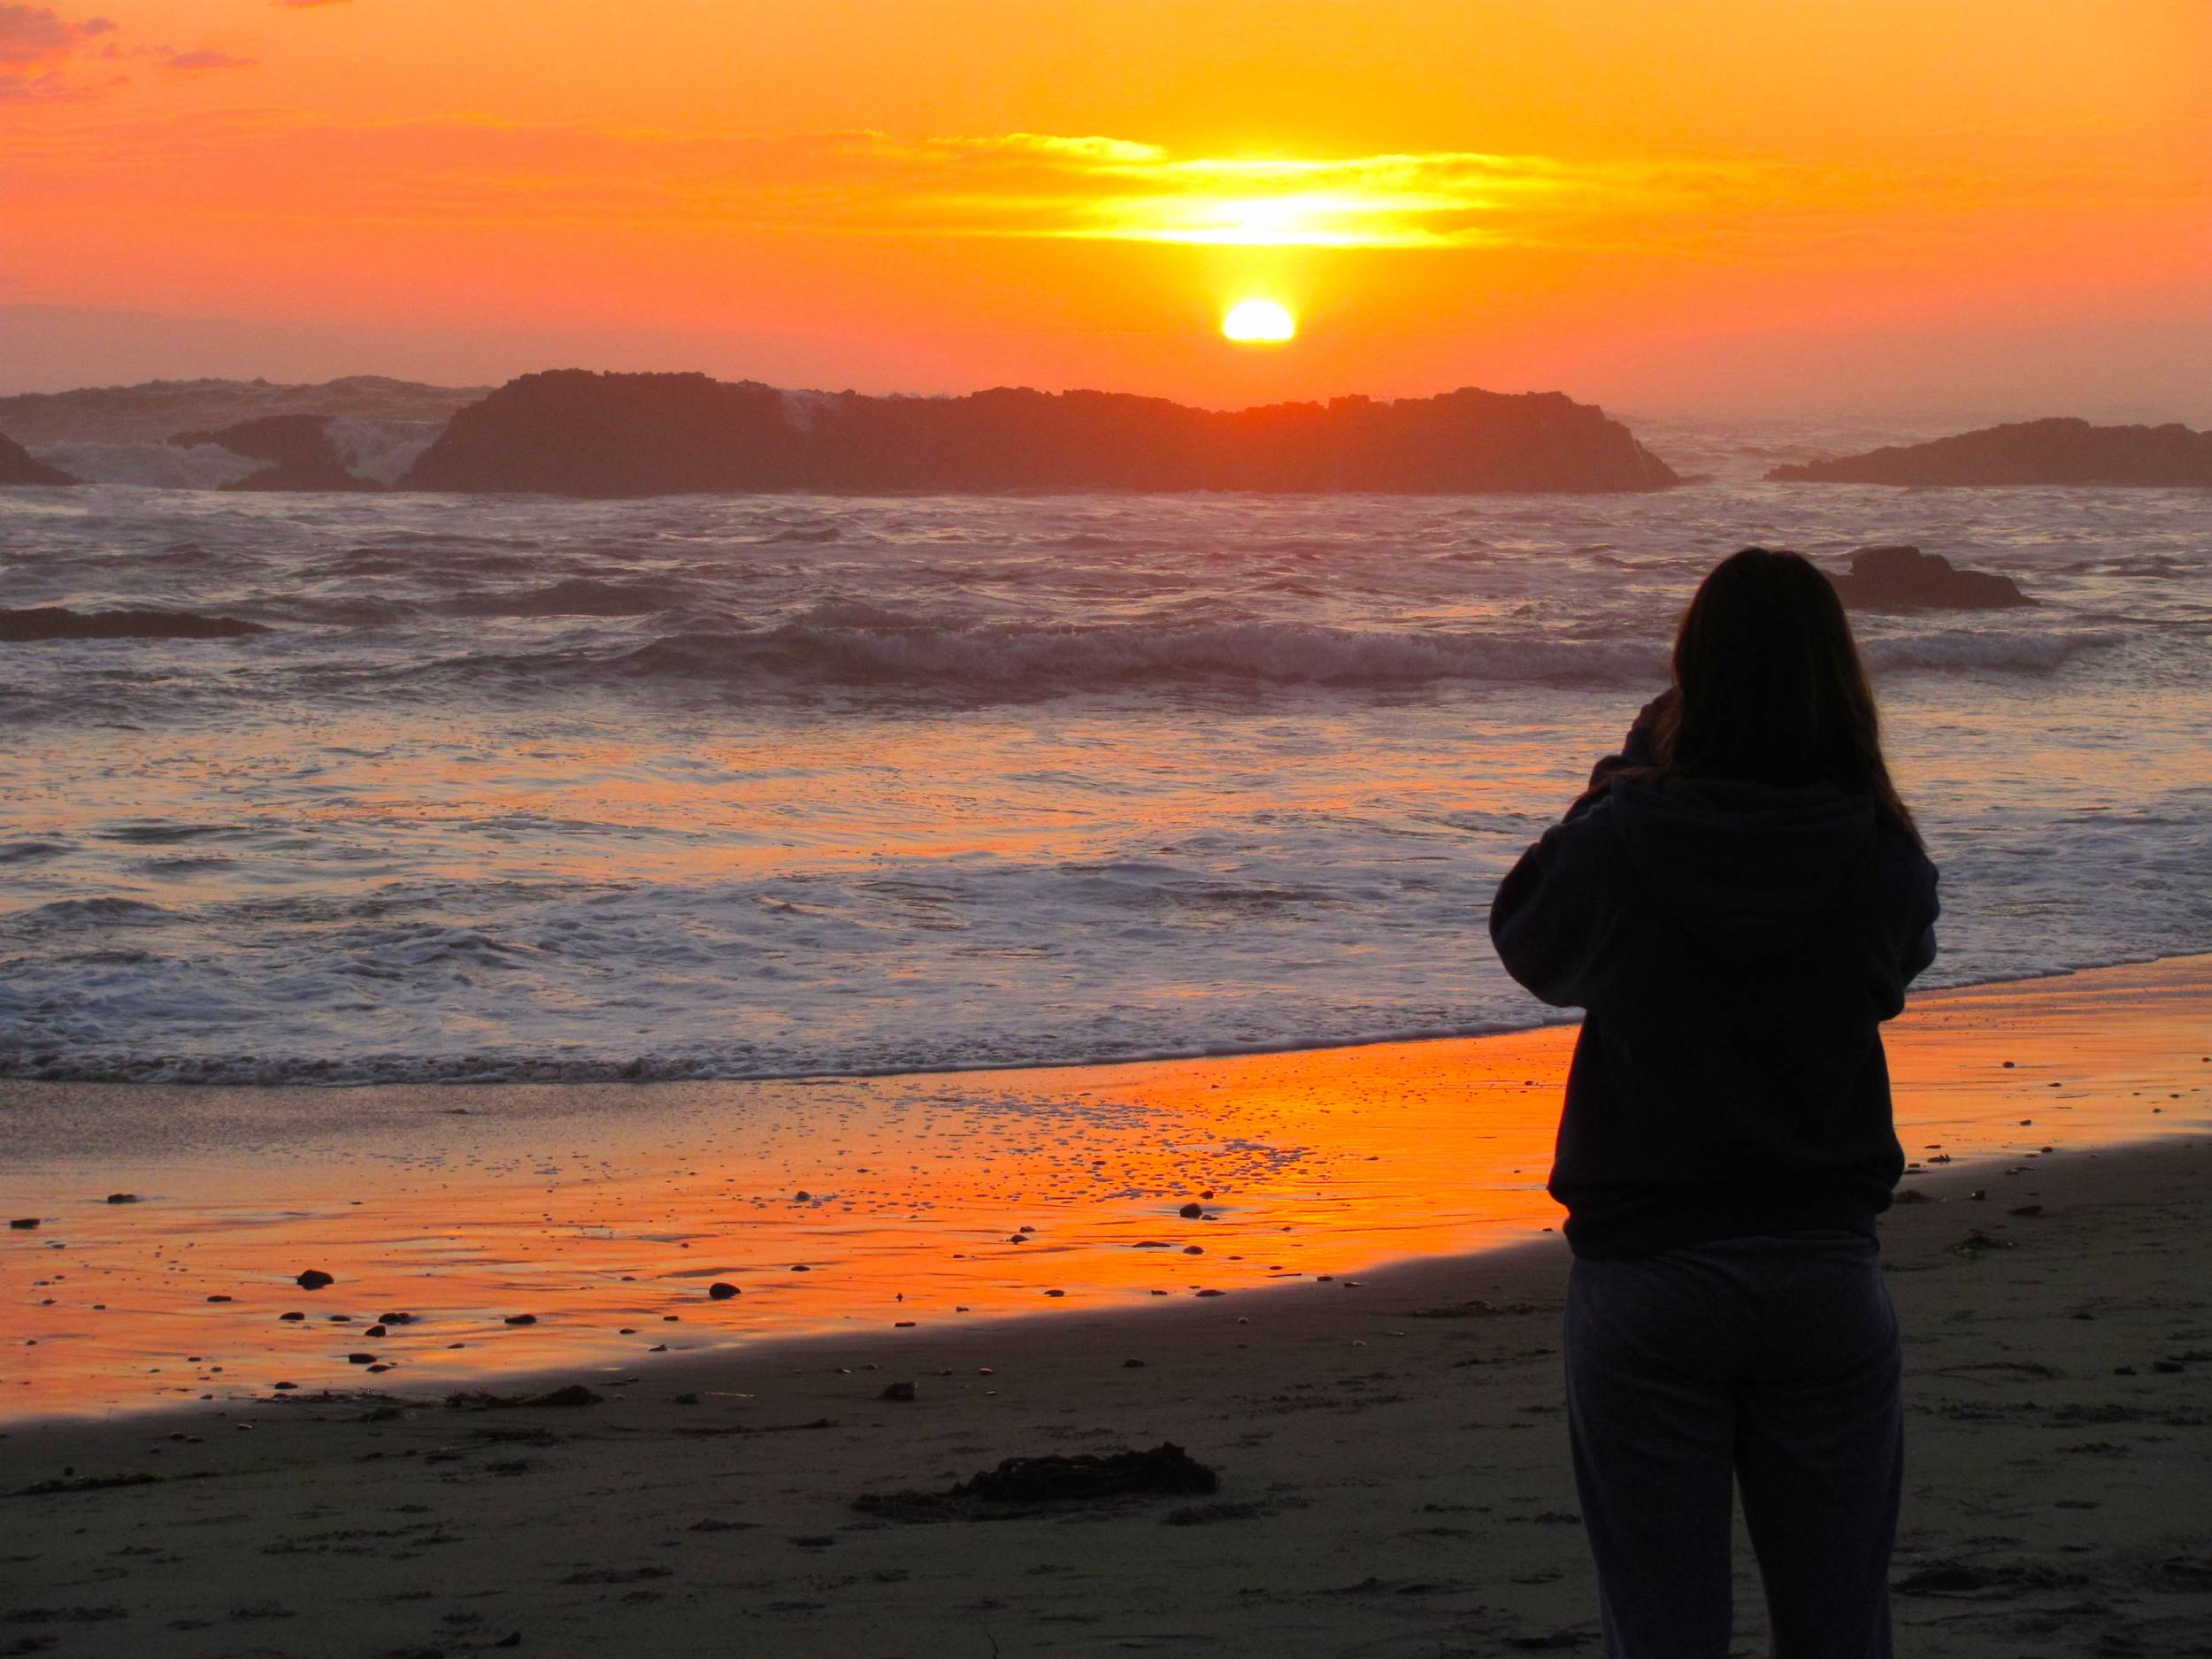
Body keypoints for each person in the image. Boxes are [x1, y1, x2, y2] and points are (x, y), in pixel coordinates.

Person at [1488, 547, 1939, 1657]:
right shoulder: (1876, 848)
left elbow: (1526, 940)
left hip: (1652, 1268)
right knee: (1840, 1627)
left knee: (1663, 1628)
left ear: (1690, 674)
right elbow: (1893, 971)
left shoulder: (1625, 835)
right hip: (1823, 1263)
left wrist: (1624, 770)